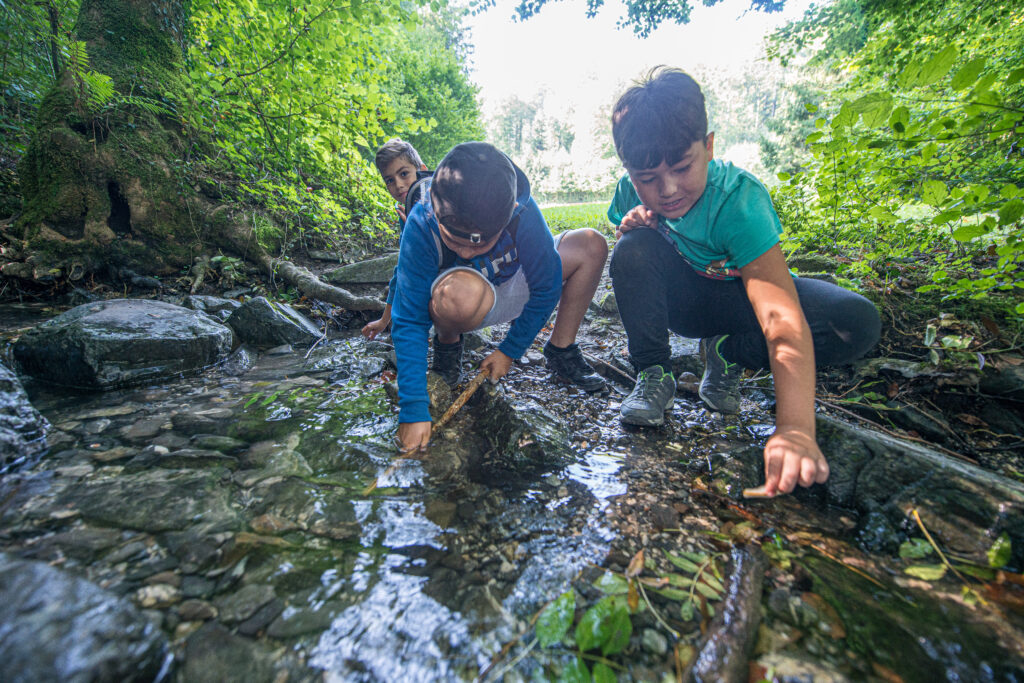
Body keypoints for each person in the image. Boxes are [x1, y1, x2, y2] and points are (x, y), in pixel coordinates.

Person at [607, 67, 880, 495]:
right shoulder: (629, 189)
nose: (669, 189)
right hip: (688, 303)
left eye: (682, 167)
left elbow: (781, 317)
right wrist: (630, 225)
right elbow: (630, 258)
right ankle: (654, 373)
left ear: (709, 145)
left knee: (855, 322)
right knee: (631, 247)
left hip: (743, 302)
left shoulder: (739, 202)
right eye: (648, 180)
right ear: (629, 170)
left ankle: (727, 353)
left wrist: (794, 429)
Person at [391, 141, 609, 451]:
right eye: (455, 241)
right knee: (458, 295)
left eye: (478, 245)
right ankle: (448, 346)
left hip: (517, 281)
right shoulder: (422, 223)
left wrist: (510, 350)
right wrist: (413, 408)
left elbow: (546, 286)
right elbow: (409, 318)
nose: (466, 251)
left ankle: (561, 349)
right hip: (467, 296)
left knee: (592, 244)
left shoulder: (519, 209)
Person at [362, 138, 432, 340]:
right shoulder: (406, 214)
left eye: (404, 174)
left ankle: (448, 348)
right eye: (390, 180)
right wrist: (384, 320)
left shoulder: (440, 201)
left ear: (421, 170)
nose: (398, 185)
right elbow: (403, 268)